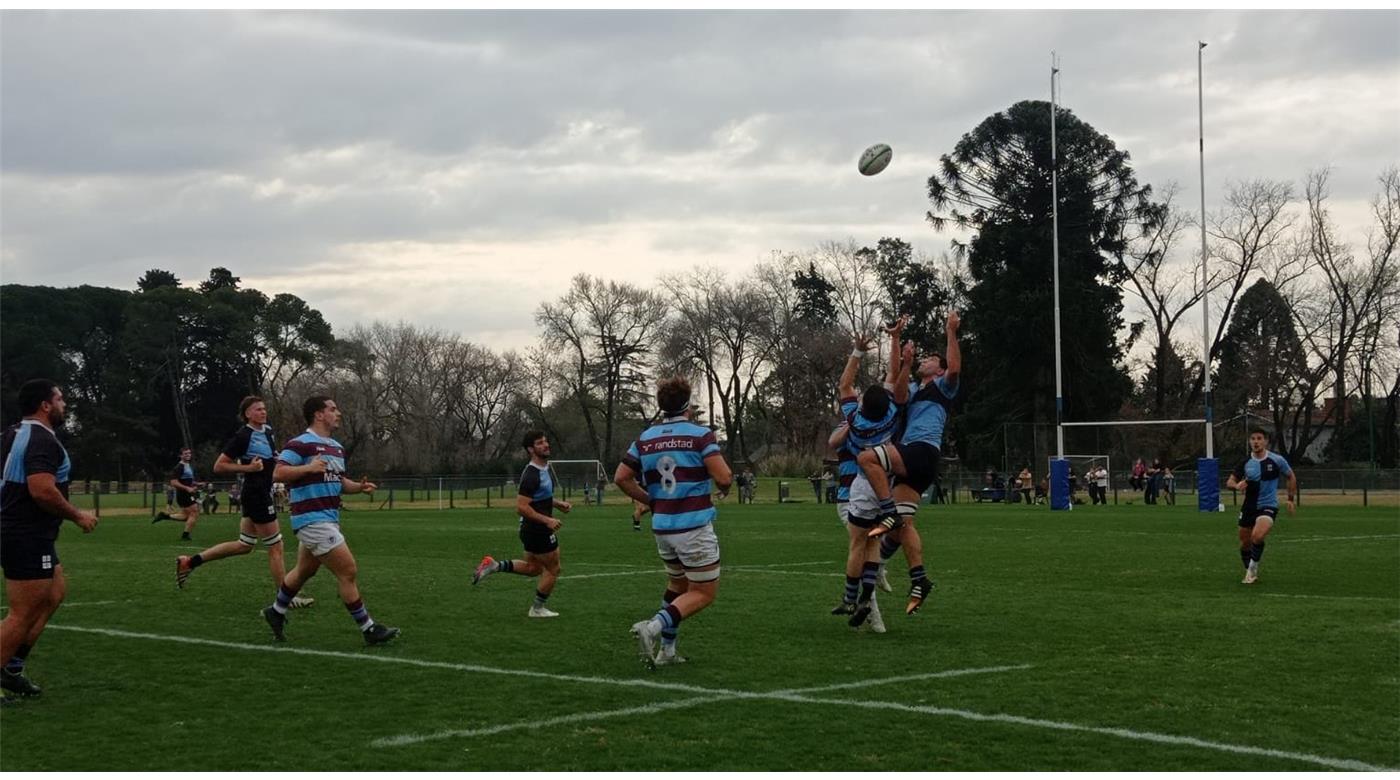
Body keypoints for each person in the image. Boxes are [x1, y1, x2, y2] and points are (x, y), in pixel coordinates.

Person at [614, 376, 732, 669]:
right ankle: (652, 627)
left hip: (663, 528)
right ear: (687, 404)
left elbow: (621, 478)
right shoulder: (700, 435)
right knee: (703, 592)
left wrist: (652, 501)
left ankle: (667, 651)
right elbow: (724, 476)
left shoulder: (645, 438)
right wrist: (725, 487)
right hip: (692, 527)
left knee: (677, 585)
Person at [260, 396, 397, 645]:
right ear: (319, 414)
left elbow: (339, 482)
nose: (338, 413)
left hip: (329, 518)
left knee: (305, 570)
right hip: (311, 519)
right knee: (348, 571)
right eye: (333, 409)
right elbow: (277, 473)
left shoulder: (336, 447)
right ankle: (369, 629)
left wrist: (359, 487)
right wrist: (308, 468)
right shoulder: (300, 444)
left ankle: (276, 611)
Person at [857, 310, 961, 616]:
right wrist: (904, 361)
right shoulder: (915, 389)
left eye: (931, 359)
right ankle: (919, 579)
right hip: (918, 463)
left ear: (939, 369)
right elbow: (900, 395)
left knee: (866, 457)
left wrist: (951, 331)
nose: (924, 360)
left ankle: (887, 511)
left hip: (920, 450)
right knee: (903, 525)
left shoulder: (943, 387)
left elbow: (955, 367)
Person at [1, 379, 99, 701]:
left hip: (24, 531)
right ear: (45, 405)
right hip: (25, 533)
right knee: (23, 612)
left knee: (53, 594)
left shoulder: (12, 433)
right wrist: (78, 515)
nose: (64, 404)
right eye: (60, 399)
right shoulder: (42, 439)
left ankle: (11, 668)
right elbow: (41, 490)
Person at [174, 396, 313, 608]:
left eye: (264, 408)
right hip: (256, 494)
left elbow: (269, 458)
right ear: (248, 414)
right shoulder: (243, 436)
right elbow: (219, 466)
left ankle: (190, 562)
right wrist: (248, 468)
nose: (263, 412)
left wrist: (277, 460)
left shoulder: (268, 431)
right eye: (258, 409)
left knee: (244, 545)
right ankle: (285, 597)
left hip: (260, 493)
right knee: (276, 546)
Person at [471, 431, 573, 618]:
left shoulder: (544, 468)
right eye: (540, 443)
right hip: (537, 529)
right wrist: (548, 520)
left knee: (533, 568)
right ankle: (537, 609)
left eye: (545, 441)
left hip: (531, 530)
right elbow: (521, 507)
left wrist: (558, 504)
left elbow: (540, 497)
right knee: (553, 569)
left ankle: (494, 566)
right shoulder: (531, 474)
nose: (546, 445)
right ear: (531, 449)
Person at [1226, 429, 1297, 584]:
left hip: (1268, 505)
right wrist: (1237, 486)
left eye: (1259, 438)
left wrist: (1290, 499)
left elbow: (1290, 476)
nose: (1256, 442)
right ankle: (1250, 570)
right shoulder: (1245, 462)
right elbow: (1230, 482)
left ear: (1266, 441)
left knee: (1257, 536)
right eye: (1253, 439)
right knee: (1245, 543)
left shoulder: (1276, 460)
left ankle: (1252, 570)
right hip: (1249, 507)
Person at [154, 447, 203, 540]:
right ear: (181, 455)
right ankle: (185, 535)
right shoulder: (179, 467)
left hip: (187, 493)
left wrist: (196, 484)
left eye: (189, 453)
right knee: (195, 512)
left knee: (186, 516)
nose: (188, 455)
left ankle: (165, 516)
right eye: (185, 453)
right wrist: (187, 488)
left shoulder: (187, 465)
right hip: (183, 494)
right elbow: (173, 482)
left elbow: (186, 480)